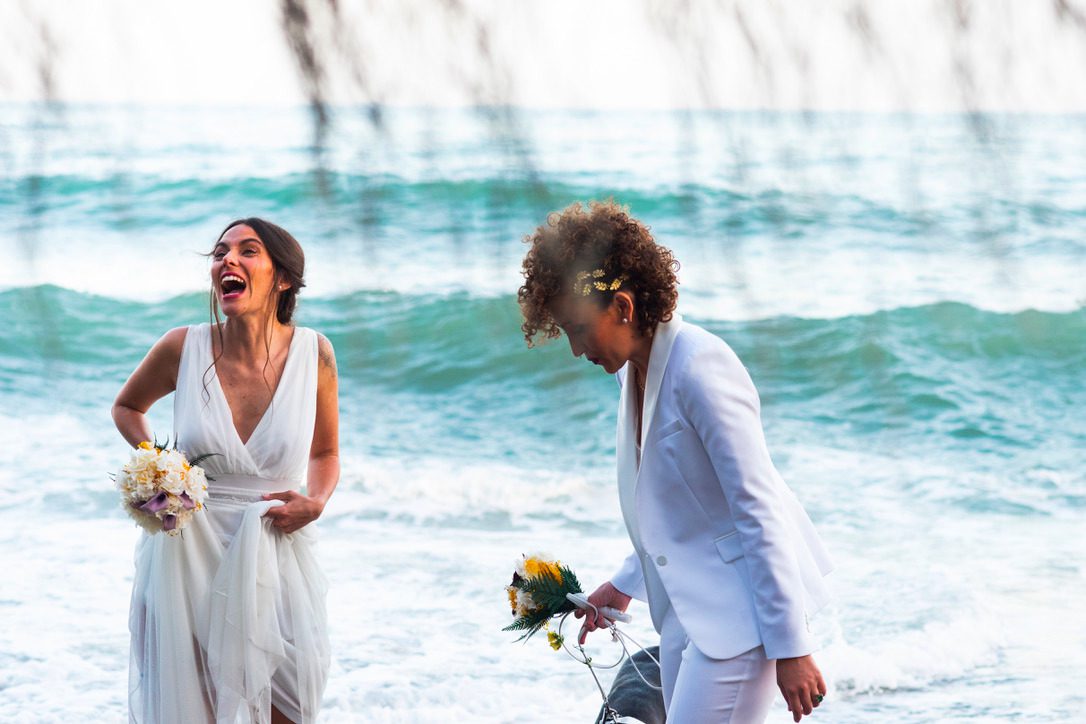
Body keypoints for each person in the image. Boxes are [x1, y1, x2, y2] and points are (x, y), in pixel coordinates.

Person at [518, 200, 834, 723]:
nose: (575, 349)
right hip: (688, 614)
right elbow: (678, 514)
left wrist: (791, 647)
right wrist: (624, 584)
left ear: (622, 307)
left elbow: (758, 511)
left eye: (577, 329)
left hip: (738, 622)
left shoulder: (701, 368)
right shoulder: (633, 373)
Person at [112, 218, 339, 723]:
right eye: (220, 253)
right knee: (194, 705)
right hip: (186, 550)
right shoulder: (181, 346)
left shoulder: (314, 353)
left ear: (282, 278)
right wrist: (162, 466)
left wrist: (317, 501)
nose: (227, 260)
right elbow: (127, 407)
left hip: (273, 544)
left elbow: (325, 453)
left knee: (290, 704)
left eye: (247, 251)